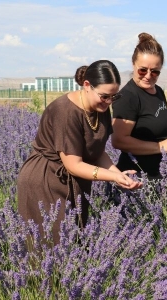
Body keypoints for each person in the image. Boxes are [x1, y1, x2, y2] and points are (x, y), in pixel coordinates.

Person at [17, 60, 142, 245]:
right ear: (87, 86)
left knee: (74, 244)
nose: (108, 102)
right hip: (46, 181)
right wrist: (112, 178)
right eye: (105, 96)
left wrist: (120, 176)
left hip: (77, 180)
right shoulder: (65, 112)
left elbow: (97, 152)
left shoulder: (101, 108)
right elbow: (73, 165)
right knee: (50, 248)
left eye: (114, 97)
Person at [111, 32, 167, 180]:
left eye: (155, 72)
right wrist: (161, 146)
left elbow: (156, 130)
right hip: (139, 177)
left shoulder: (158, 91)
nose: (148, 75)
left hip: (166, 174)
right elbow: (119, 140)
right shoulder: (128, 97)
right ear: (133, 64)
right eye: (143, 70)